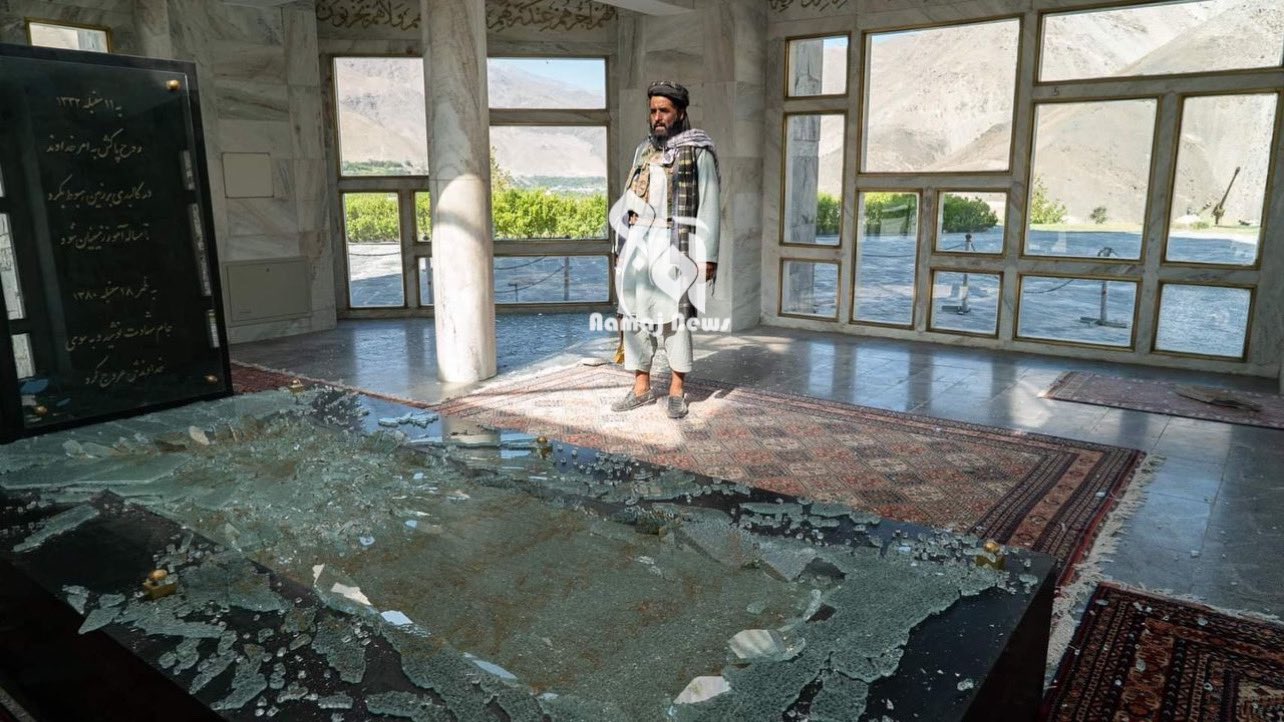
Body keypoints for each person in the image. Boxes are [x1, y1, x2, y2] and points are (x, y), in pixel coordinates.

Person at [609, 80, 719, 419]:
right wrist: (620, 245)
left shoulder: (698, 152)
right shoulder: (643, 150)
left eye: (664, 111)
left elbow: (710, 204)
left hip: (675, 245)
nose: (657, 117)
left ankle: (676, 390)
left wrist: (708, 257)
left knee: (675, 319)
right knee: (634, 316)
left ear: (680, 113)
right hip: (638, 245)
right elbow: (629, 197)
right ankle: (641, 387)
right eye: (653, 111)